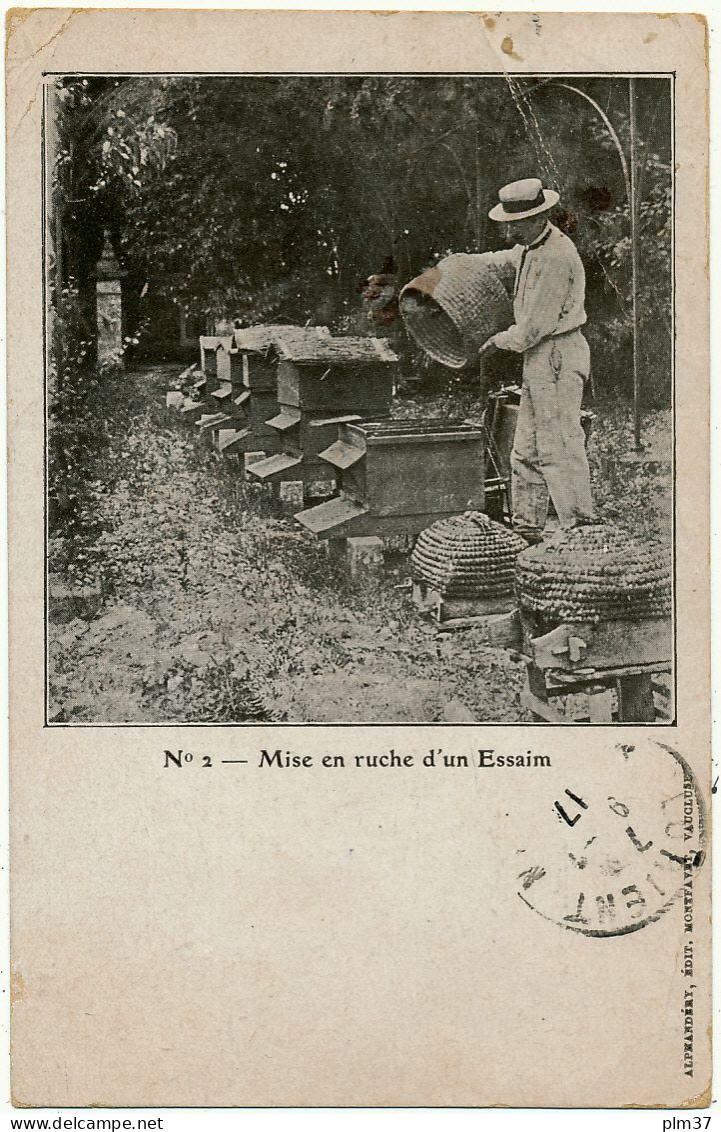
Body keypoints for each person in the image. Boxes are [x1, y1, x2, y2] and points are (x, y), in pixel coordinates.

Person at [480, 177, 596, 545]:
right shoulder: (530, 246)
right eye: (507, 221)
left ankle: (579, 528)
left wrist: (497, 341)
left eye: (515, 222)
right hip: (539, 358)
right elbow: (505, 260)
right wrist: (464, 263)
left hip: (558, 353)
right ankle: (528, 527)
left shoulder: (557, 256)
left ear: (537, 217)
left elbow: (533, 329)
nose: (508, 228)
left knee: (559, 443)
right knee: (525, 446)